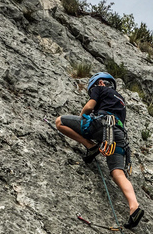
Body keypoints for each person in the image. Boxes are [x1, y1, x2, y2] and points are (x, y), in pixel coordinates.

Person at [55, 72, 144, 229]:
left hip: (103, 126)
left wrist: (82, 119)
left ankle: (90, 146)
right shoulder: (121, 100)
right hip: (119, 135)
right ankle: (134, 207)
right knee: (118, 173)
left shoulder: (100, 88)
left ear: (101, 82)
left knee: (60, 122)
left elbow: (90, 106)